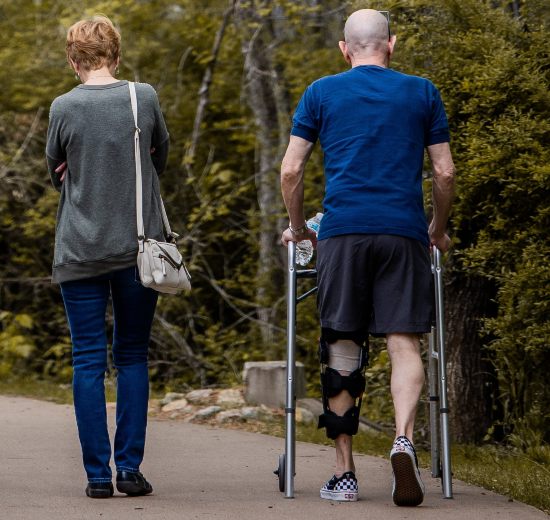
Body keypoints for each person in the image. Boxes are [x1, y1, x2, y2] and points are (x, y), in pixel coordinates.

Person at [280, 9, 455, 506]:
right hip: (402, 232)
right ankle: (404, 439)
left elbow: (291, 172)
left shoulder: (321, 92)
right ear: (391, 45)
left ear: (344, 48)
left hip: (344, 233)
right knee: (404, 343)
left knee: (342, 345)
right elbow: (444, 175)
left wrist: (298, 230)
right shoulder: (422, 91)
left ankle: (345, 473)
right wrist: (437, 230)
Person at [46, 15, 170, 499]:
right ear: (116, 56)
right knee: (133, 355)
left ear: (73, 60)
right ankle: (131, 470)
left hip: (78, 248)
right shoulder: (145, 97)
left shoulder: (63, 106)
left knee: (87, 361)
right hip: (139, 247)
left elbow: (55, 171)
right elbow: (160, 161)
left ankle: (98, 477)